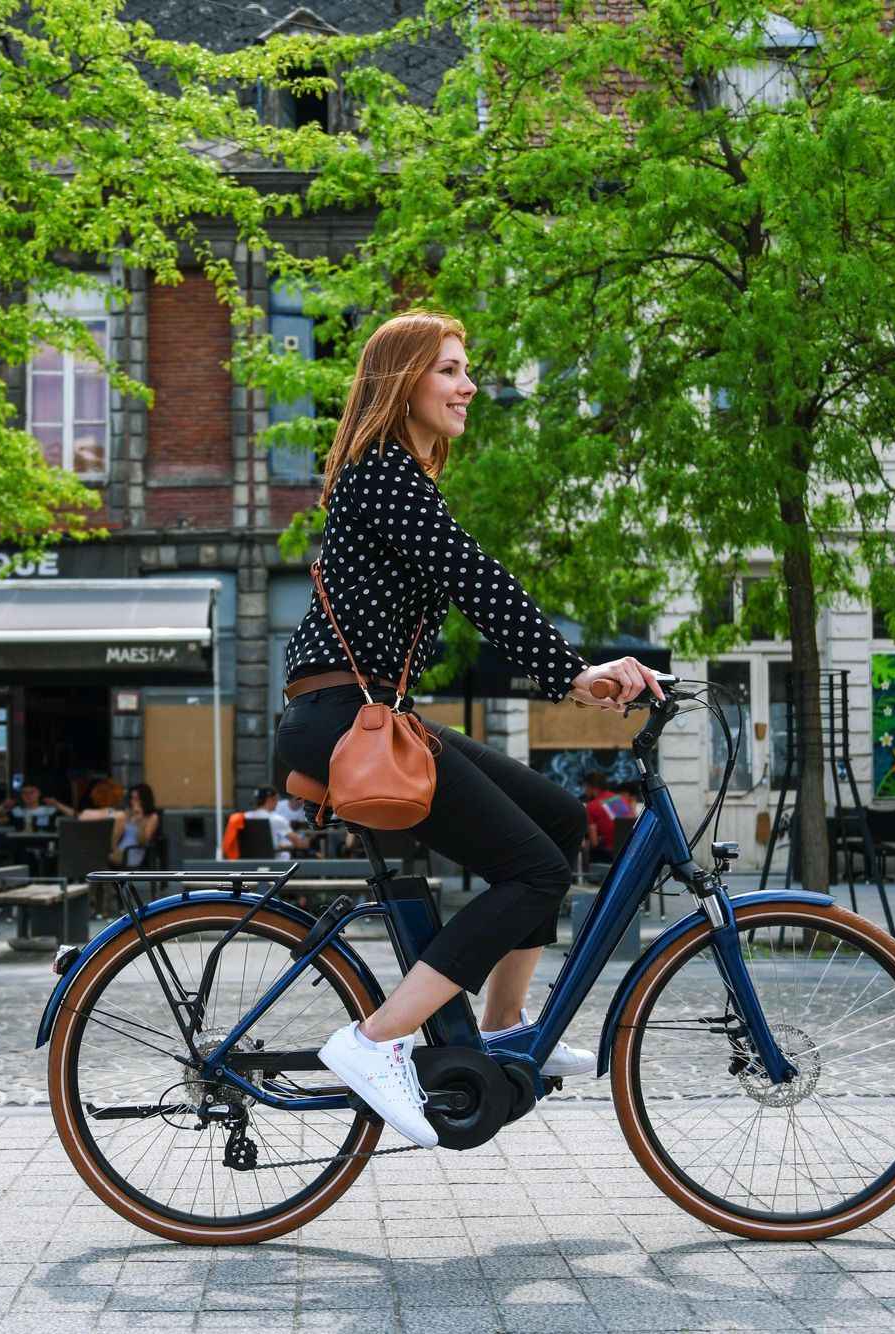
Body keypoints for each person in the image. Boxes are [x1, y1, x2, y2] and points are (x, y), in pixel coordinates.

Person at [273, 309, 662, 1148]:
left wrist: (580, 669)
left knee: (557, 826)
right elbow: (474, 577)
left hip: (377, 717)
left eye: (466, 369)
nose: (469, 385)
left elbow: (463, 577)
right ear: (402, 380)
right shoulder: (382, 473)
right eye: (449, 369)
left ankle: (500, 1030)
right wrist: (571, 673)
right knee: (531, 872)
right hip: (347, 724)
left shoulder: (398, 480)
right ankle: (372, 1042)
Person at [245, 785, 309, 859]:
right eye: (276, 799)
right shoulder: (277, 819)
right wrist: (309, 839)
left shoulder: (245, 817)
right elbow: (300, 844)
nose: (277, 802)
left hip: (249, 861)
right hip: (275, 864)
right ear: (270, 799)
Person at [108, 782, 160, 869]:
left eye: (136, 799)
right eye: (132, 798)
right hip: (120, 850)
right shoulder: (128, 813)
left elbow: (143, 841)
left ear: (144, 800)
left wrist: (140, 821)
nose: (133, 802)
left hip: (133, 852)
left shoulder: (152, 817)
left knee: (101, 859)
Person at [582, 771, 619, 863]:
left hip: (606, 856)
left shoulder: (591, 806)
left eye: (585, 787)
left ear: (592, 787)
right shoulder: (616, 799)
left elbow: (594, 842)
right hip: (624, 851)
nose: (584, 791)